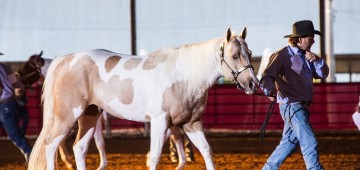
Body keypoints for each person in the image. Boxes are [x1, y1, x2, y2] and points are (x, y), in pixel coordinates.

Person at [259, 20, 329, 170]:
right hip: (292, 107)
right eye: (310, 37)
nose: (313, 40)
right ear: (300, 39)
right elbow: (266, 77)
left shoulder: (309, 56)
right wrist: (270, 90)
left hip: (299, 108)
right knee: (309, 142)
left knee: (288, 143)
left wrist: (317, 61)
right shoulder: (282, 55)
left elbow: (323, 74)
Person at [0, 52, 32, 163]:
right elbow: (19, 86)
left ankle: (32, 155)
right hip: (11, 104)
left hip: (4, 106)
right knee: (15, 134)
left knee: (15, 135)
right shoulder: (7, 68)